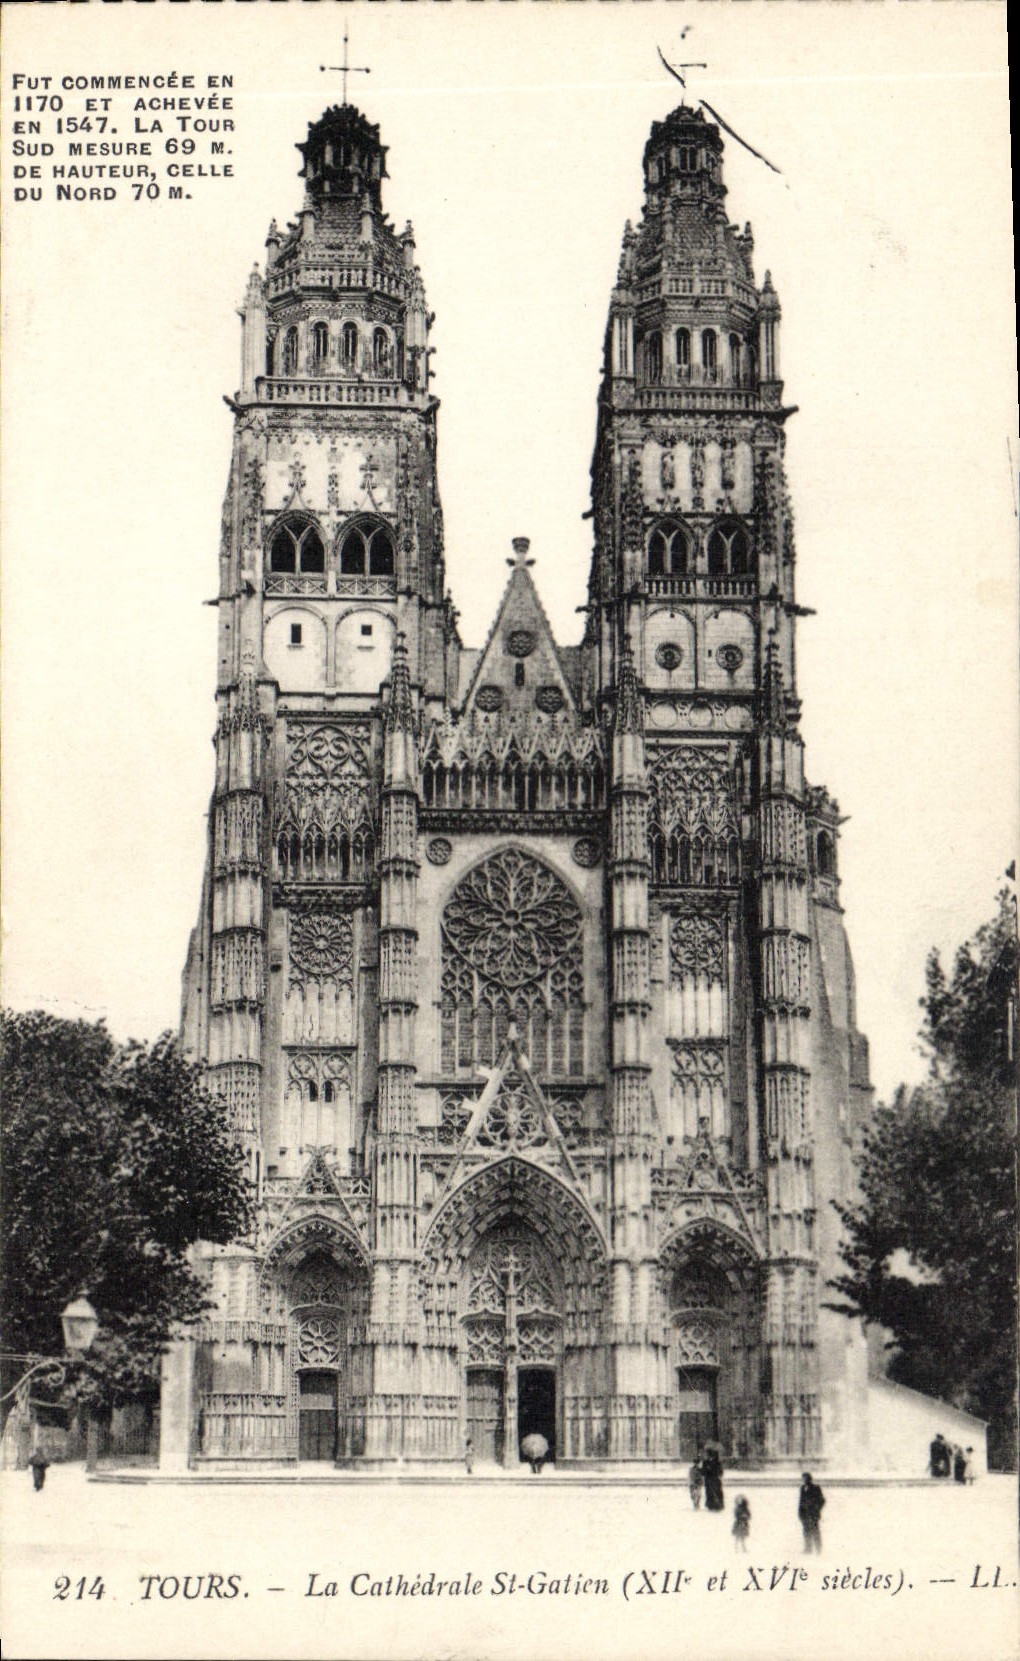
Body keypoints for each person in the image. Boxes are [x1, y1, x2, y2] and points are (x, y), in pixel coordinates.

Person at [798, 1472, 825, 1553]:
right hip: (804, 1515)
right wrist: (800, 1512)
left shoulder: (816, 1488)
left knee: (815, 1532)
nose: (804, 1480)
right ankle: (808, 1548)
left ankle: (818, 1549)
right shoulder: (802, 1488)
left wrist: (816, 1509)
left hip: (813, 1514)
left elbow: (822, 1500)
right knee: (806, 1531)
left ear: (810, 1479)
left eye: (806, 1478)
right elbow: (801, 1501)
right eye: (803, 1479)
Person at [702, 1445, 725, 1512]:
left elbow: (720, 1471)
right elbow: (703, 1471)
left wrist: (714, 1472)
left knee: (716, 1492)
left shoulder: (717, 1462)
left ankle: (718, 1505)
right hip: (708, 1480)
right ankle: (710, 1505)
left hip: (715, 1480)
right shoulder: (705, 1462)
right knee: (709, 1492)